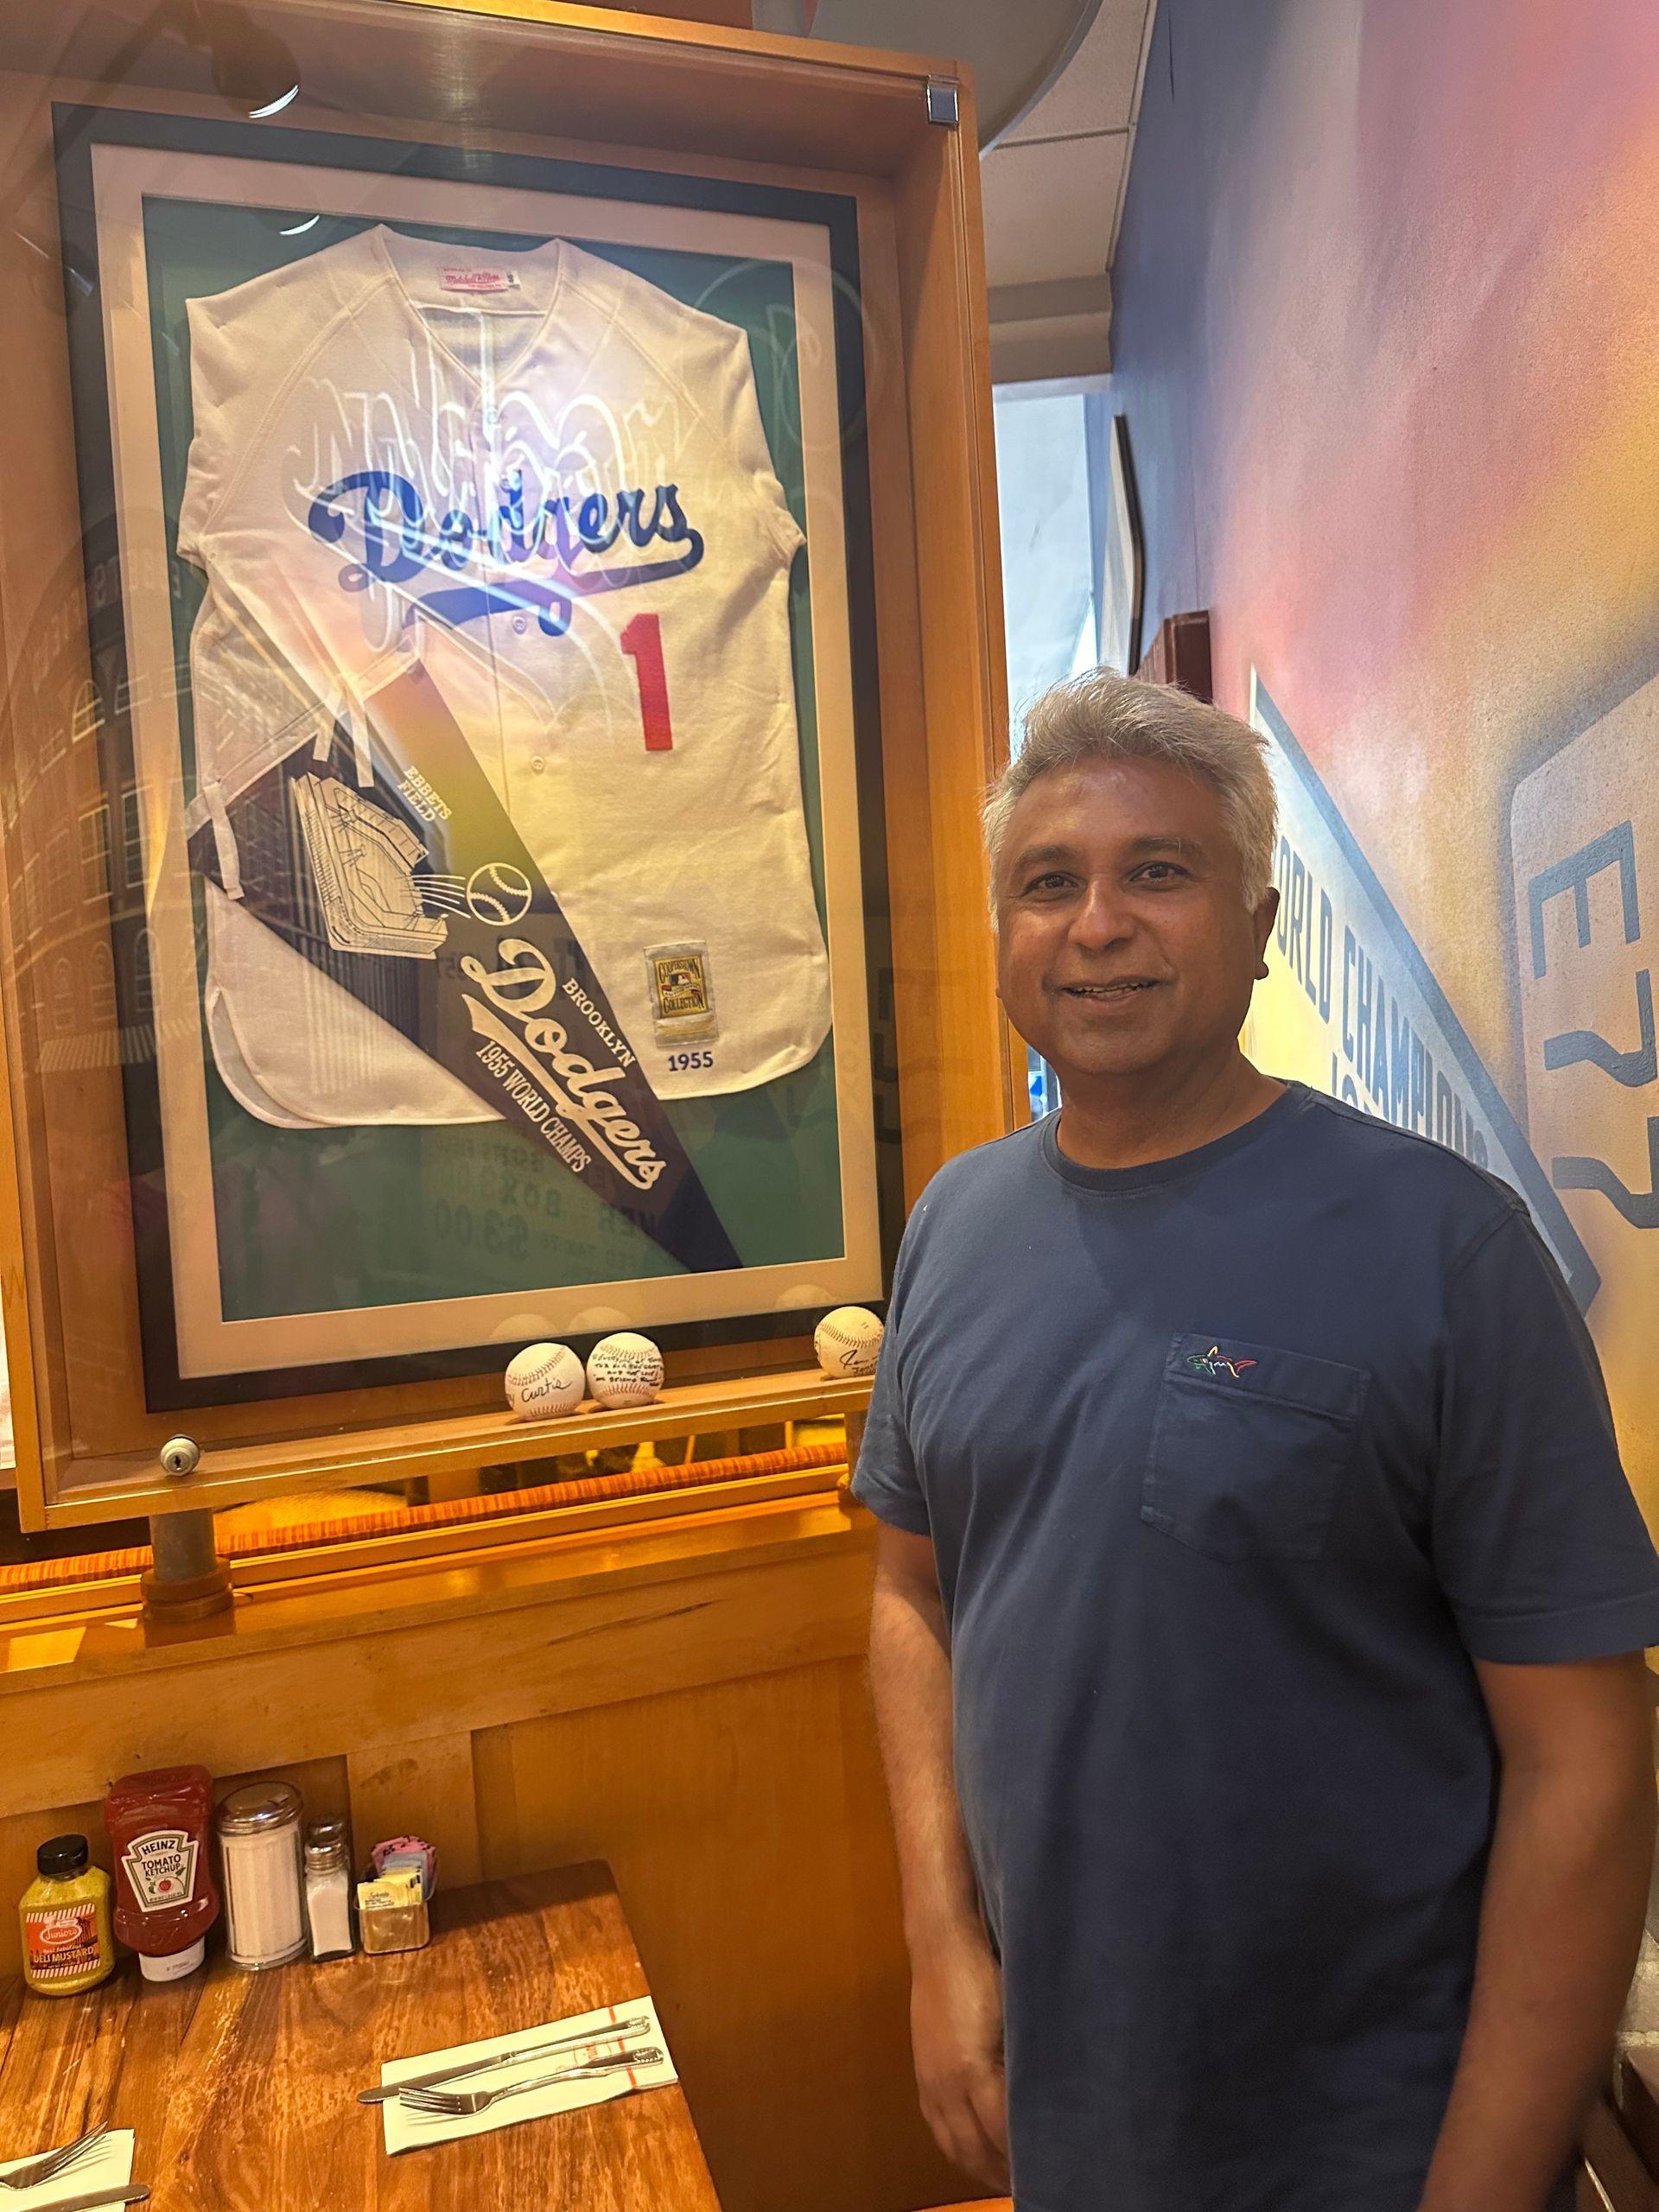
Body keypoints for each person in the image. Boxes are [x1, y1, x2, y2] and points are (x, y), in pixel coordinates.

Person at [854, 669, 1659, 2212]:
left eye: (1158, 872)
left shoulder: (1446, 1250)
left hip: (1380, 2140)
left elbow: (1588, 1764)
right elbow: (912, 1594)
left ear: (1260, 923)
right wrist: (942, 1945)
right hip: (1074, 2115)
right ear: (1007, 930)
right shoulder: (955, 1226)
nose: (1097, 924)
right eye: (1049, 883)